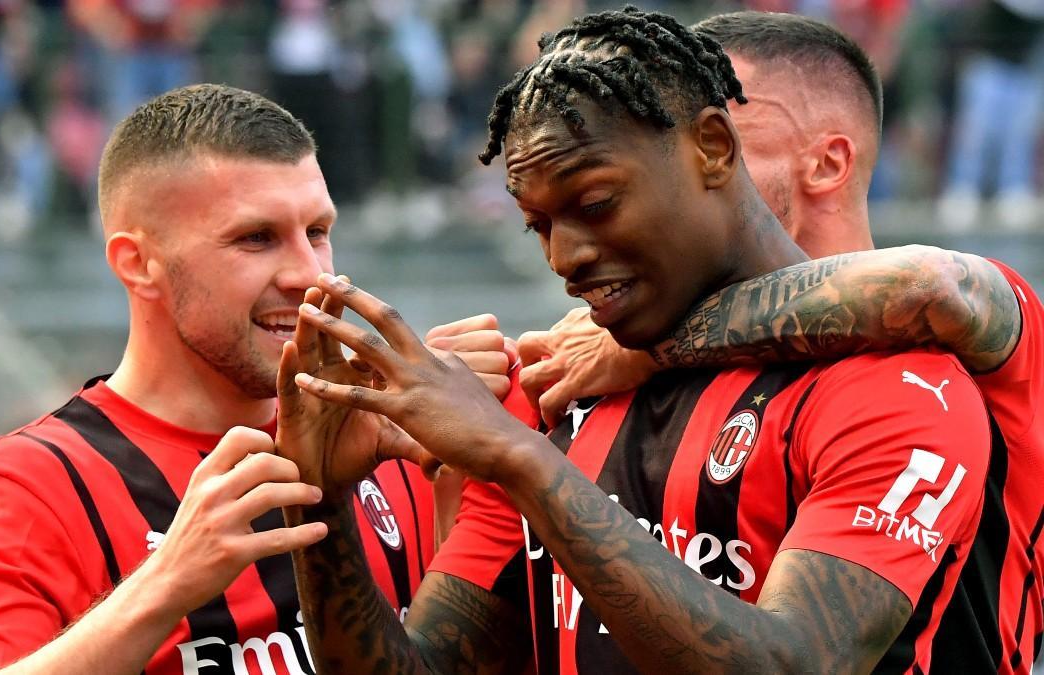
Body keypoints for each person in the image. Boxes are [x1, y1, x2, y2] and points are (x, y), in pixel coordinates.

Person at [276, 8, 994, 673]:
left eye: (596, 204)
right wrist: (321, 506)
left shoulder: (898, 390)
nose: (564, 258)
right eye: (540, 226)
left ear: (713, 147)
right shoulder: (554, 396)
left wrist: (519, 459)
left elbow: (791, 662)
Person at [0, 84, 512, 675]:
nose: (309, 274)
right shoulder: (30, 489)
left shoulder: (393, 439)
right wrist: (167, 582)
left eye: (318, 232)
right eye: (256, 238)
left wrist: (469, 474)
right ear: (138, 263)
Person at [518, 12, 1043, 673]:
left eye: (721, 145)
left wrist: (650, 346)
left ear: (827, 163)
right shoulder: (617, 364)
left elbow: (933, 287)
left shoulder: (974, 347)